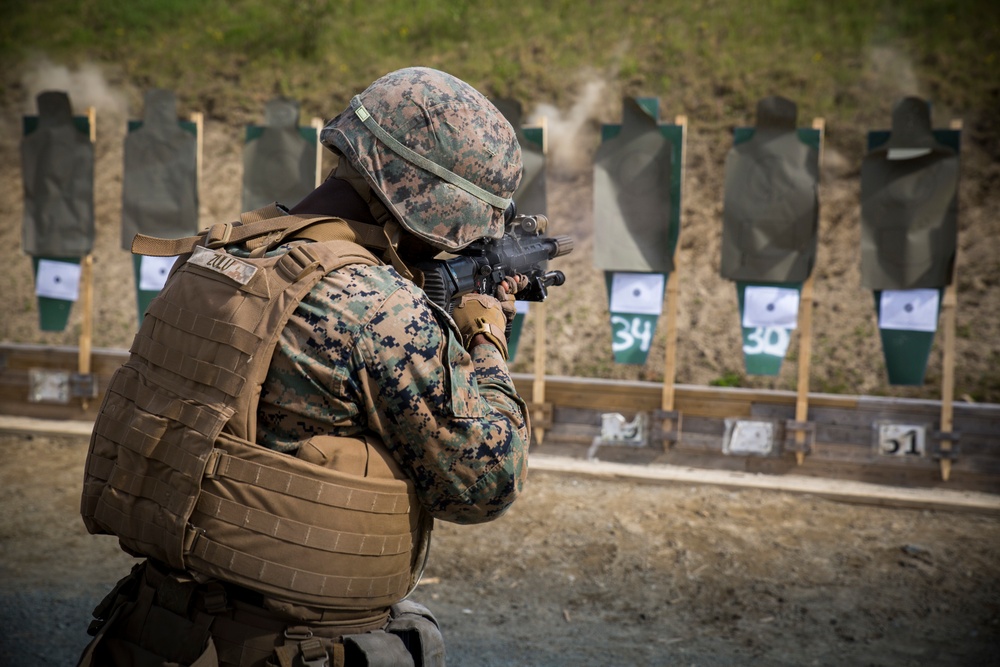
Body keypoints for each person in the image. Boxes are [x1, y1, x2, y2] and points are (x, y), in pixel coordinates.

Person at [78, 67, 530, 667]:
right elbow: (485, 480)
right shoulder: (376, 307)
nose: (454, 246)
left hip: (153, 632)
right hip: (285, 650)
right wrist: (486, 341)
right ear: (422, 197)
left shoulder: (220, 252)